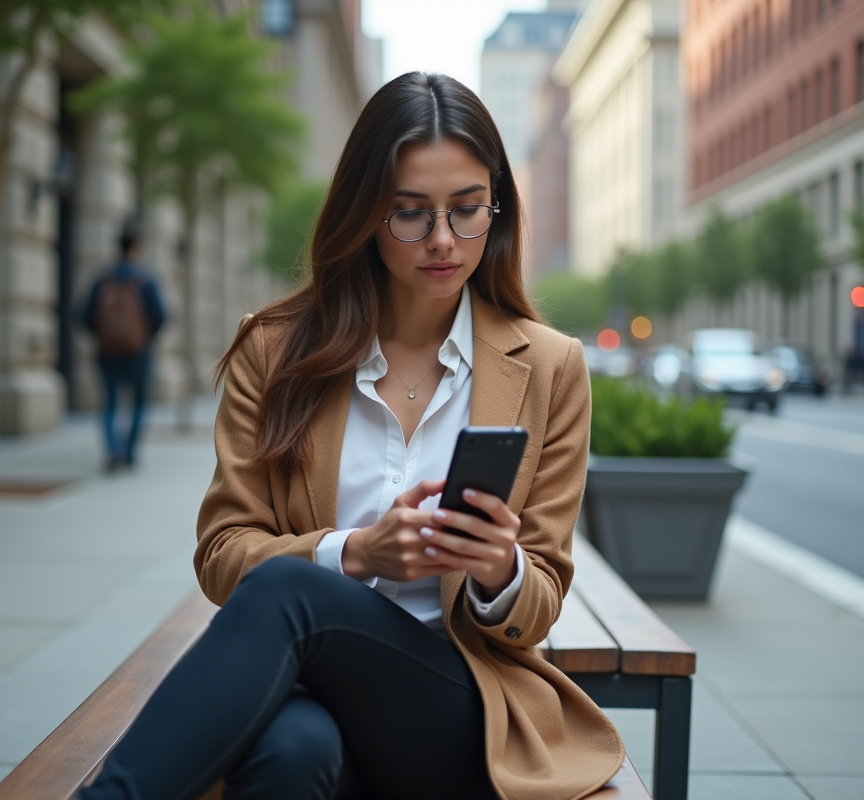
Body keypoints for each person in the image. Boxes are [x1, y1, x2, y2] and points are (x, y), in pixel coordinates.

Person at [79, 72, 623, 800]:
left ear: (497, 208)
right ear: (365, 212)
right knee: (293, 752)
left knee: (288, 591)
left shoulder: (549, 367)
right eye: (409, 214)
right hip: (308, 695)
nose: (442, 241)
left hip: (458, 711)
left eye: (467, 211)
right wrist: (357, 552)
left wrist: (499, 568)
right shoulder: (273, 352)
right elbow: (220, 556)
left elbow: (543, 595)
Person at [82, 223, 167, 471]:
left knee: (109, 403)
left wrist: (102, 336)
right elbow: (160, 315)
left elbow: (84, 315)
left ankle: (113, 450)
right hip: (139, 353)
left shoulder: (101, 278)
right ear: (138, 247)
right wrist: (144, 337)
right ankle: (129, 452)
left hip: (107, 353)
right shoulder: (146, 279)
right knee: (139, 402)